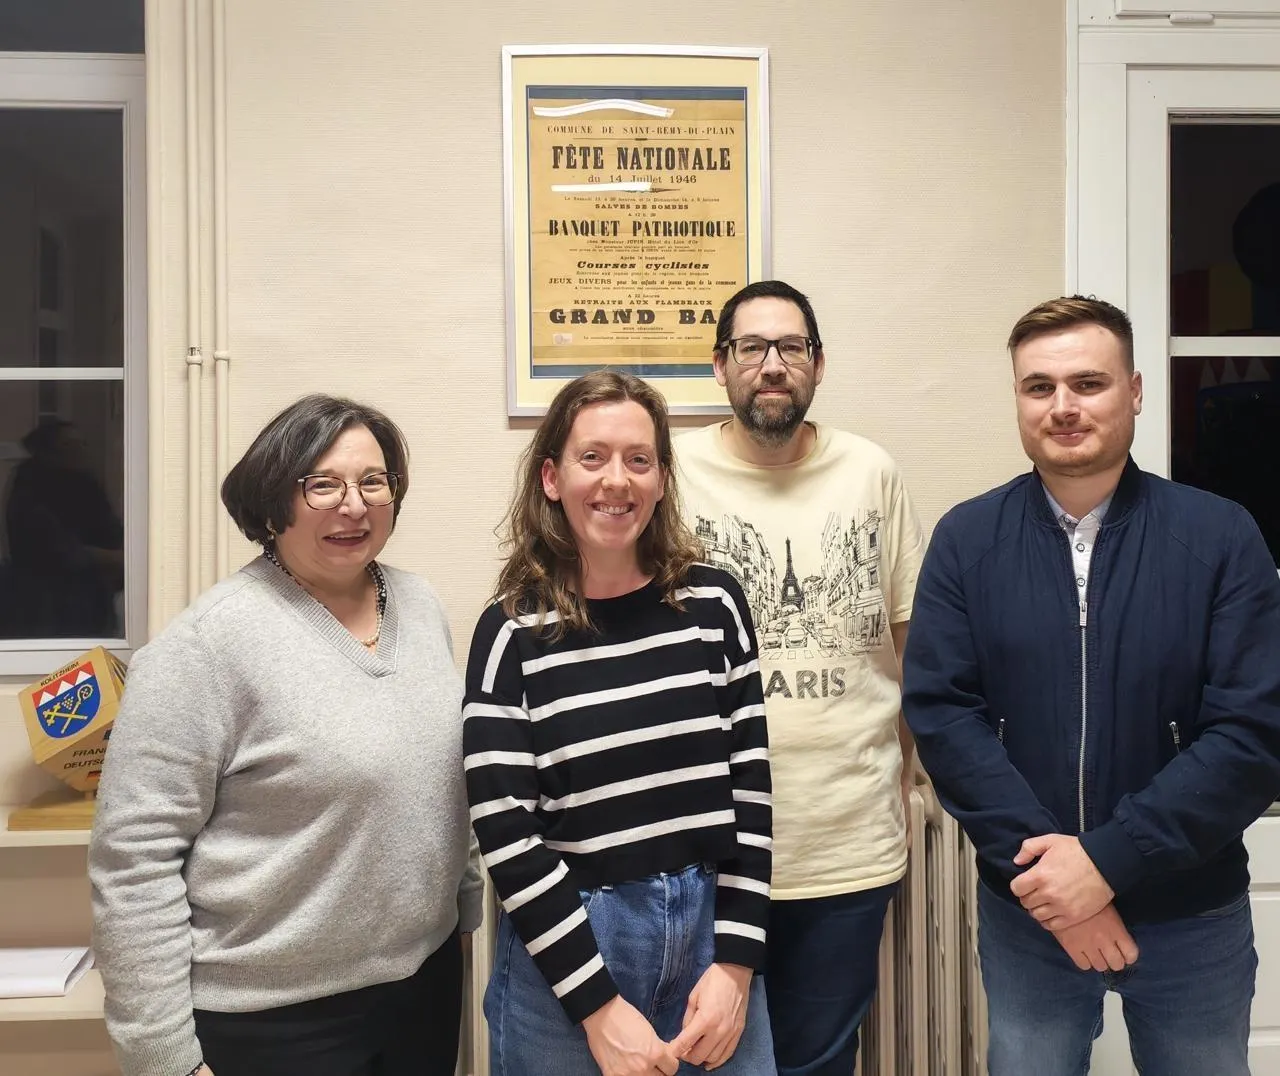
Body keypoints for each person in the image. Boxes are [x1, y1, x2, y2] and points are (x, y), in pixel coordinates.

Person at [902, 296, 1280, 1075]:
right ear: (1018, 400)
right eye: (1039, 387)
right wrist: (1055, 886)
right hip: (1029, 914)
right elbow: (944, 717)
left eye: (1088, 383)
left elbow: (1252, 733)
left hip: (1191, 911)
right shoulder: (967, 540)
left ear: (1134, 392)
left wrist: (1106, 863)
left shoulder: (1220, 536)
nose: (1063, 406)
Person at [89, 394, 482, 1076]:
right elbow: (134, 862)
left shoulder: (418, 604)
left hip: (423, 984)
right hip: (272, 1018)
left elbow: (439, 770)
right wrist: (161, 1055)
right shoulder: (205, 646)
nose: (353, 505)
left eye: (373, 481)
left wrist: (464, 905)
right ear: (273, 503)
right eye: (322, 485)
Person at [463, 370, 774, 1076]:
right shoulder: (510, 633)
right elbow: (506, 833)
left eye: (639, 460)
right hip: (571, 951)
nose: (617, 481)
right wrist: (598, 1008)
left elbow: (751, 793)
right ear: (552, 477)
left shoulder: (715, 605)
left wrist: (736, 964)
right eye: (592, 457)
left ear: (662, 480)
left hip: (711, 941)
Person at [674, 280, 924, 1075]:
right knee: (706, 1060)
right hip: (706, 850)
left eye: (791, 347)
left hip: (844, 844)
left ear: (818, 363)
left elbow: (912, 641)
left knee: (821, 1063)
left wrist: (907, 771)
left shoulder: (870, 471)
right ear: (720, 366)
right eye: (752, 348)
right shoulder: (671, 473)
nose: (773, 365)